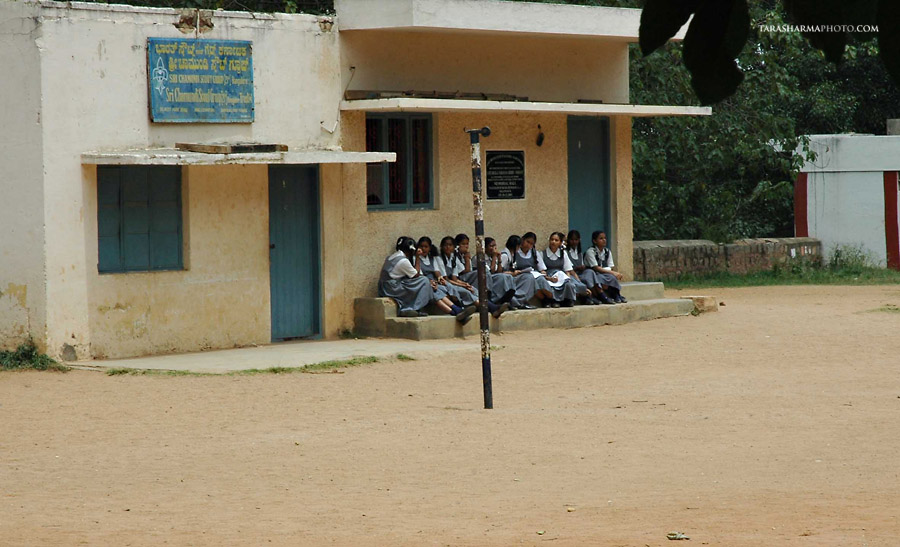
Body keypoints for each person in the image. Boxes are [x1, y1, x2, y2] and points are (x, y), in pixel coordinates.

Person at [439, 236, 507, 320]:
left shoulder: (453, 258)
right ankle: (490, 308)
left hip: (454, 282)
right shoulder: (439, 258)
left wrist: (465, 284)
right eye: (446, 245)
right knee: (465, 291)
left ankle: (492, 307)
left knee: (473, 289)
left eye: (450, 245)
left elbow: (454, 278)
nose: (448, 247)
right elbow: (446, 279)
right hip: (444, 283)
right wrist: (463, 285)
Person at [415, 236, 476, 320]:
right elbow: (420, 275)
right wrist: (432, 282)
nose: (423, 249)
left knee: (445, 287)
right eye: (421, 247)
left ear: (430, 248)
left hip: (435, 283)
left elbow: (437, 272)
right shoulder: (416, 259)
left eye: (426, 247)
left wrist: (440, 278)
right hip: (426, 283)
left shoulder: (433, 259)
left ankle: (458, 311)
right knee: (437, 292)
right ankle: (457, 311)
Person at [378, 236, 435, 317]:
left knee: (417, 282)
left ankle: (409, 308)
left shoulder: (394, 256)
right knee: (424, 281)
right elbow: (416, 275)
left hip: (385, 287)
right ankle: (411, 308)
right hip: (391, 288)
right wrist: (417, 257)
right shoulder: (403, 261)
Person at [456, 233, 515, 312]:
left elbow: (497, 272)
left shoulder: (488, 257)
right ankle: (488, 299)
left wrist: (499, 259)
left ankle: (506, 301)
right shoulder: (477, 257)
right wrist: (467, 259)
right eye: (463, 244)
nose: (466, 246)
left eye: (467, 244)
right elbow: (467, 271)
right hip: (468, 278)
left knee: (505, 277)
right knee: (485, 272)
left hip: (487, 277)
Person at [538, 232, 581, 307]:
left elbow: (567, 270)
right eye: (552, 239)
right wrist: (550, 278)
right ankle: (553, 300)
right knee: (549, 285)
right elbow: (542, 271)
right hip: (549, 277)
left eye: (556, 240)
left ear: (560, 243)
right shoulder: (542, 254)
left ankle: (567, 300)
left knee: (568, 284)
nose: (553, 242)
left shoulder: (563, 254)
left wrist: (566, 279)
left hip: (560, 277)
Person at [584, 230, 627, 304]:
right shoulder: (590, 252)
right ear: (594, 241)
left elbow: (610, 266)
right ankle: (603, 296)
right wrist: (613, 273)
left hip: (603, 272)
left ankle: (616, 294)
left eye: (605, 238)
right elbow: (595, 267)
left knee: (612, 277)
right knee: (604, 277)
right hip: (593, 273)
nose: (604, 240)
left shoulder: (607, 251)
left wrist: (613, 273)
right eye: (601, 238)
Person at [514, 232, 555, 307]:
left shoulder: (534, 253)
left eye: (531, 244)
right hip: (521, 276)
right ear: (522, 240)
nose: (528, 245)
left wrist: (543, 274)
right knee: (531, 281)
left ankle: (550, 298)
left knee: (541, 280)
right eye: (527, 242)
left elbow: (542, 268)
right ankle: (545, 300)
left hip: (534, 274)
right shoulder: (515, 252)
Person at [499, 234, 537, 310]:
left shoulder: (512, 254)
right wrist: (512, 273)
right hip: (505, 279)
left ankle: (521, 301)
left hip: (511, 277)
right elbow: (499, 273)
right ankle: (513, 301)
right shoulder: (505, 255)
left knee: (528, 277)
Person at [566, 230, 602, 305]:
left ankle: (599, 294)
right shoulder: (566, 252)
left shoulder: (579, 252)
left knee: (590, 272)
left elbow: (582, 264)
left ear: (579, 240)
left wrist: (583, 267)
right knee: (583, 279)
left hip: (580, 273)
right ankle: (588, 297)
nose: (574, 242)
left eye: (576, 240)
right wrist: (576, 268)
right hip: (572, 274)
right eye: (572, 240)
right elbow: (568, 268)